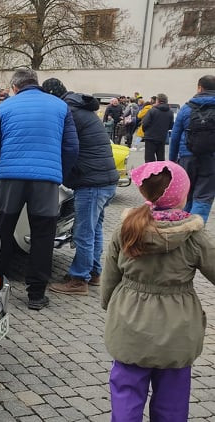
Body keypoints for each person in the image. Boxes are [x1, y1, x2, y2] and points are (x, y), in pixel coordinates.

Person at [101, 160, 215, 421]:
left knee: (125, 396)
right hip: (178, 329)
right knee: (172, 401)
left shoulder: (127, 227)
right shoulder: (194, 235)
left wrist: (110, 305)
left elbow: (109, 274)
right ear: (182, 195)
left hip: (129, 323)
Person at [0, 68, 79, 310]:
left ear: (15, 87)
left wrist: (3, 167)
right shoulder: (60, 107)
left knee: (3, 232)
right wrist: (58, 173)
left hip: (10, 179)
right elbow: (71, 147)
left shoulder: (3, 108)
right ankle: (36, 294)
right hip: (46, 181)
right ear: (36, 83)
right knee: (43, 236)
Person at [41, 78, 118, 295]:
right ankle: (93, 272)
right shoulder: (81, 108)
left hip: (91, 181)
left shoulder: (69, 113)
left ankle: (79, 280)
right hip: (105, 180)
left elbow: (67, 147)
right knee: (95, 229)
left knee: (83, 231)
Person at [169, 75, 215, 223]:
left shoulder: (186, 108)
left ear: (200, 88)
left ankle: (181, 228)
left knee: (185, 193)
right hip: (211, 158)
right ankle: (195, 232)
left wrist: (172, 161)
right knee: (203, 197)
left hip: (186, 156)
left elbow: (175, 136)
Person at [141, 93, 174, 162]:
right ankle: (160, 172)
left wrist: (146, 131)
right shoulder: (170, 112)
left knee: (149, 159)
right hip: (162, 137)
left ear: (157, 101)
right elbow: (171, 126)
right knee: (161, 159)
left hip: (150, 137)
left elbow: (145, 123)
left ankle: (151, 172)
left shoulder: (152, 110)